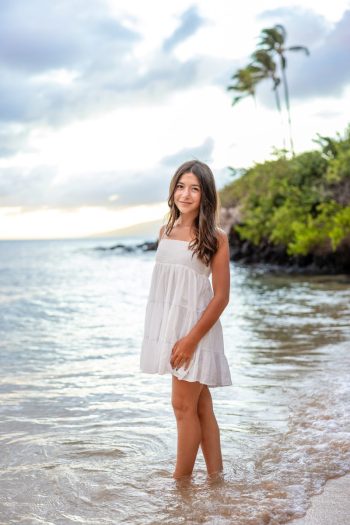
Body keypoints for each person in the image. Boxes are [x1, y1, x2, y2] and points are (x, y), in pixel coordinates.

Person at [140, 160, 232, 480]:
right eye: (181, 186)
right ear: (173, 190)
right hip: (171, 330)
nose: (186, 193)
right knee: (200, 407)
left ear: (205, 194)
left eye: (194, 188)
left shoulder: (215, 237)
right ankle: (217, 482)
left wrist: (191, 340)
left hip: (196, 332)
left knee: (182, 408)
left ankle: (180, 487)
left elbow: (220, 297)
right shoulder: (164, 231)